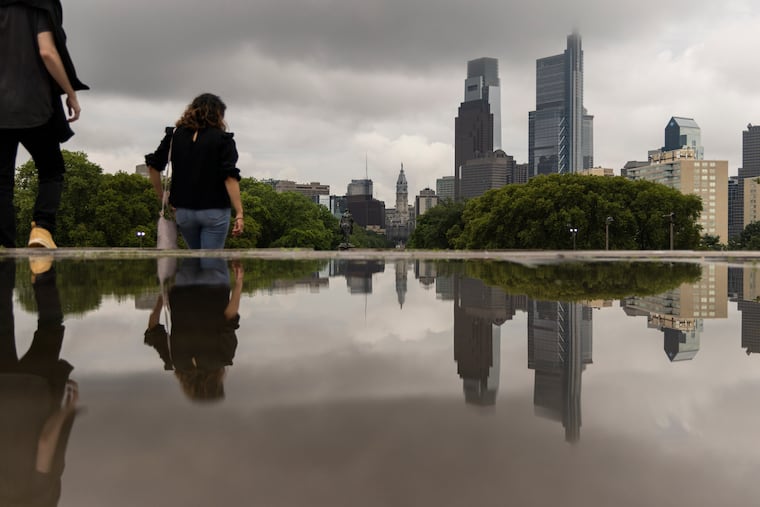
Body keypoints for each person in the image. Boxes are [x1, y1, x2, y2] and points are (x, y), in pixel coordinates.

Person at [0, 0, 87, 249]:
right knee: (51, 170)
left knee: (2, 178)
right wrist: (70, 92)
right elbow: (47, 51)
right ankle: (42, 229)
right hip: (34, 101)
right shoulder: (39, 2)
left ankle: (3, 244)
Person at [0, 258, 79, 506]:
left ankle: (42, 274)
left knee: (51, 326)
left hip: (35, 390)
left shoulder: (41, 498)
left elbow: (46, 441)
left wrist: (68, 410)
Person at [145, 93, 244, 249]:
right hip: (214, 208)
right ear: (218, 114)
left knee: (195, 259)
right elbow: (230, 178)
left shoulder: (174, 136)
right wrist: (239, 213)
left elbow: (153, 167)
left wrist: (162, 197)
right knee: (211, 262)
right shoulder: (223, 139)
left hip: (183, 210)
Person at [144, 258, 244, 401]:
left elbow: (229, 318)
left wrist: (239, 284)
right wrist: (162, 296)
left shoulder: (223, 358)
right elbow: (153, 327)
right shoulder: (173, 361)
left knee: (212, 248)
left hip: (215, 287)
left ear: (217, 384)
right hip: (182, 288)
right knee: (192, 248)